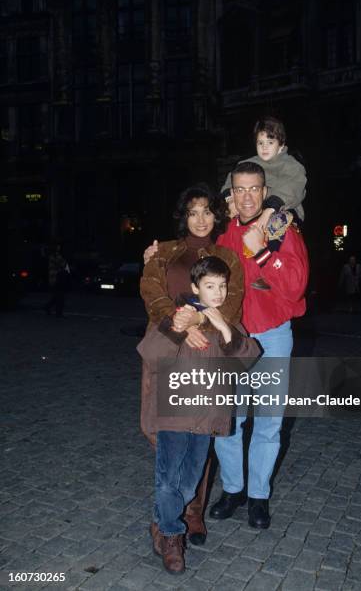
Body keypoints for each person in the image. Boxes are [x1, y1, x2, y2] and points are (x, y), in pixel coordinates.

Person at [138, 185, 244, 570]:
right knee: (167, 438)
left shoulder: (227, 256)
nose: (200, 219)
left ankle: (189, 510)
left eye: (208, 212)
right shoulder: (163, 252)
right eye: (193, 212)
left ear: (217, 216)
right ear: (183, 215)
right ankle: (170, 520)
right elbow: (151, 291)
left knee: (201, 437)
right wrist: (180, 321)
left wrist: (200, 317)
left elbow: (232, 301)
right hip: (170, 350)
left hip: (210, 356)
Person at [210, 161, 309, 529]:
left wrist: (263, 253)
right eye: (240, 189)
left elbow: (296, 285)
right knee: (228, 421)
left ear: (265, 192)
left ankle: (258, 497)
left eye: (254, 189)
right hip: (232, 339)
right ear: (231, 194)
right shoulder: (223, 234)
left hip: (272, 336)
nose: (247, 196)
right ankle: (233, 489)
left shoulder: (280, 228)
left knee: (268, 423)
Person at [221, 116, 307, 290]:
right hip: (257, 211)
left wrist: (269, 210)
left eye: (270, 142)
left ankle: (267, 273)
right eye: (260, 143)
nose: (265, 147)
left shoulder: (292, 165)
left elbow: (293, 188)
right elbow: (228, 182)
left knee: (276, 223)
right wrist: (229, 199)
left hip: (285, 208)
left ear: (281, 144)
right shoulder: (248, 163)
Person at [44, 244, 69, 317]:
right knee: (60, 296)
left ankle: (48, 307)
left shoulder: (54, 255)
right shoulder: (55, 256)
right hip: (57, 278)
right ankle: (58, 312)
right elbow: (63, 264)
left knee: (57, 296)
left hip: (55, 278)